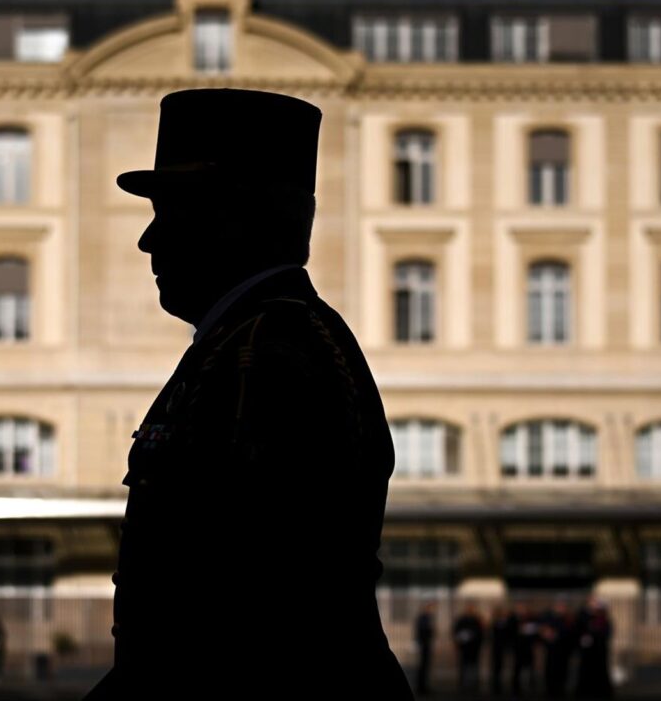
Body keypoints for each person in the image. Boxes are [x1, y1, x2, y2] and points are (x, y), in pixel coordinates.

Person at [83, 89, 414, 700]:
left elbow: (240, 612)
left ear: (231, 218)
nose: (148, 242)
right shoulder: (260, 337)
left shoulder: (265, 350)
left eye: (170, 213)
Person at [574, 598, 613, 698]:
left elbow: (606, 633)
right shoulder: (585, 617)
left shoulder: (604, 620)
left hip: (600, 651)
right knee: (586, 673)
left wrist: (595, 635)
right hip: (588, 653)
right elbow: (580, 626)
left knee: (600, 674)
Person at [540, 599, 574, 698]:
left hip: (564, 649)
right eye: (559, 606)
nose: (561, 609)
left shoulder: (568, 618)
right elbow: (543, 630)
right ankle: (550, 690)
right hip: (551, 649)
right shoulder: (548, 617)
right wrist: (547, 634)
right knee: (550, 670)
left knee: (563, 671)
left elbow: (570, 632)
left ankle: (561, 689)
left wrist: (557, 635)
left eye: (562, 607)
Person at [453, 603, 484, 694]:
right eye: (469, 609)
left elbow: (481, 633)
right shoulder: (462, 619)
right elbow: (456, 631)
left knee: (474, 666)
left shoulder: (477, 620)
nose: (470, 610)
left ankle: (475, 684)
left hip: (474, 647)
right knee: (463, 666)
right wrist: (461, 638)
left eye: (472, 609)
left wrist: (473, 637)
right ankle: (462, 684)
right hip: (464, 647)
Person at [510, 602, 537, 696]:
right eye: (520, 608)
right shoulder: (513, 619)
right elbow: (510, 633)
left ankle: (530, 684)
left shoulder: (531, 619)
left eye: (523, 608)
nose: (522, 610)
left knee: (529, 666)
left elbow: (535, 631)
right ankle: (516, 687)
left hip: (528, 647)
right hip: (518, 647)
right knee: (517, 667)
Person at [413, 601, 436, 696]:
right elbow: (423, 631)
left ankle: (423, 686)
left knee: (425, 666)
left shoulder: (427, 618)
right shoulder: (424, 618)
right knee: (423, 666)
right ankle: (421, 687)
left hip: (426, 643)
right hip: (424, 644)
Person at [489, 604, 512, 696]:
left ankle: (500, 680)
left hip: (503, 646)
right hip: (496, 646)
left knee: (502, 664)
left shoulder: (507, 622)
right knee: (496, 665)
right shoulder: (494, 622)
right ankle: (496, 681)